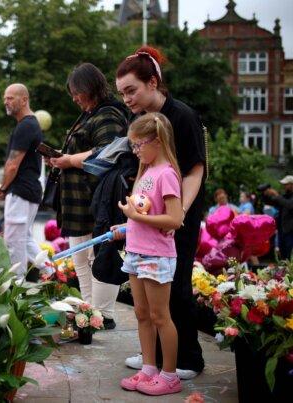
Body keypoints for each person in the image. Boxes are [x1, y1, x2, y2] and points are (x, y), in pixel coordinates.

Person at [116, 46, 206, 379]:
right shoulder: (137, 120)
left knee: (176, 284)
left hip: (177, 212)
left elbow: (195, 169)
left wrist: (178, 212)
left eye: (131, 90)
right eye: (122, 92)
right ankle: (151, 356)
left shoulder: (182, 115)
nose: (126, 98)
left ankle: (188, 359)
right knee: (145, 291)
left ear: (153, 82)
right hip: (147, 216)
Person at [49, 63, 129, 328]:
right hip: (76, 201)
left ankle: (103, 315)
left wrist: (69, 160)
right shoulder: (89, 114)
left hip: (95, 199)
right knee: (80, 260)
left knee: (99, 256)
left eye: (76, 92)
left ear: (89, 87)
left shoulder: (108, 114)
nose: (74, 98)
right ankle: (88, 313)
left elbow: (110, 151)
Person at [112, 113, 184, 396]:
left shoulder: (166, 174)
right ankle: (149, 369)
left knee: (159, 315)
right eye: (134, 146)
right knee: (142, 314)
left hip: (156, 256)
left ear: (157, 140)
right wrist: (127, 223)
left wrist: (136, 219)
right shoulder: (147, 172)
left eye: (139, 145)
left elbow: (175, 219)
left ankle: (169, 376)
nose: (136, 151)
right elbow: (146, 214)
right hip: (137, 252)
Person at [0, 83, 45, 279]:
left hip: (21, 191)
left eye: (10, 97)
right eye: (5, 97)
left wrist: (3, 187)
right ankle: (51, 272)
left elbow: (12, 164)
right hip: (29, 191)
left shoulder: (26, 126)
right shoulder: (30, 125)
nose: (5, 101)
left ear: (24, 100)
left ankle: (17, 288)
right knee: (25, 240)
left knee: (14, 242)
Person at [263, 175, 293, 260]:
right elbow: (272, 202)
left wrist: (276, 194)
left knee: (290, 254)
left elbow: (290, 205)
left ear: (291, 185)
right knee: (283, 255)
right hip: (282, 230)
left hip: (290, 231)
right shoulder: (285, 196)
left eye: (286, 184)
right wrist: (267, 195)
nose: (284, 186)